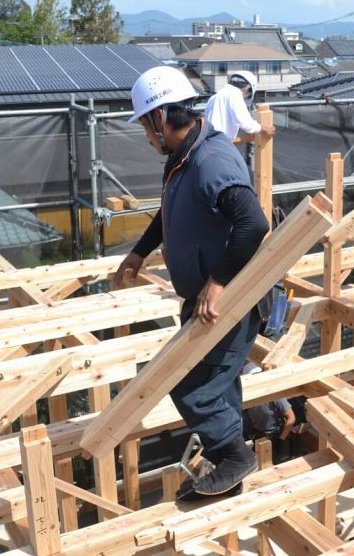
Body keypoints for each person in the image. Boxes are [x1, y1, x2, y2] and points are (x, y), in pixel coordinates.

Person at [114, 66, 270, 499]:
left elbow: (253, 223)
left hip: (228, 302)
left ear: (160, 119)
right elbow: (171, 214)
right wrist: (139, 252)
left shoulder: (211, 161)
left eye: (145, 127)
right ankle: (229, 466)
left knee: (187, 384)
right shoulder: (183, 158)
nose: (146, 138)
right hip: (206, 298)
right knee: (221, 384)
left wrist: (217, 283)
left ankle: (235, 456)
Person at [241, 361, 296, 462]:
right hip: (259, 436)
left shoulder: (274, 395)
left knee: (282, 463)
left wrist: (281, 440)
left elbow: (291, 418)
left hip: (278, 435)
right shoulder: (247, 398)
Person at [204, 70, 276, 144]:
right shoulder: (234, 95)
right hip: (218, 149)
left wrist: (246, 138)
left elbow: (223, 138)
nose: (244, 99)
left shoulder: (215, 97)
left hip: (209, 146)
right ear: (249, 90)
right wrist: (263, 128)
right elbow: (246, 123)